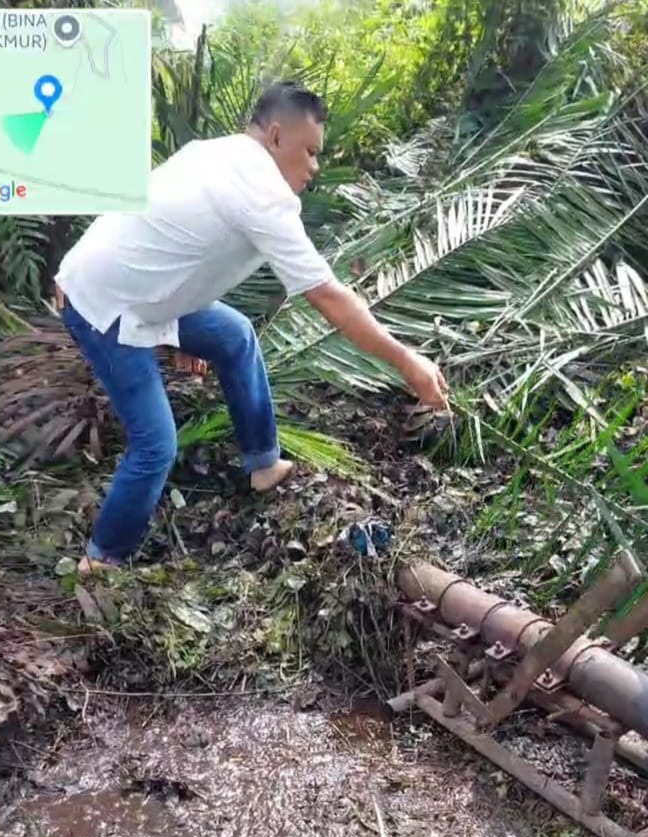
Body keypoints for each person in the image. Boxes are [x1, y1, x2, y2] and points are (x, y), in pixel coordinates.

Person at [54, 80, 449, 577]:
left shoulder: (216, 153)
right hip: (101, 305)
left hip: (135, 289)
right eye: (310, 152)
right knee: (156, 444)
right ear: (277, 136)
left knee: (234, 335)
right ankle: (101, 560)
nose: (315, 166)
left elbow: (176, 247)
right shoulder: (261, 192)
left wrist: (179, 326)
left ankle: (264, 466)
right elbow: (328, 297)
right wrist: (408, 362)